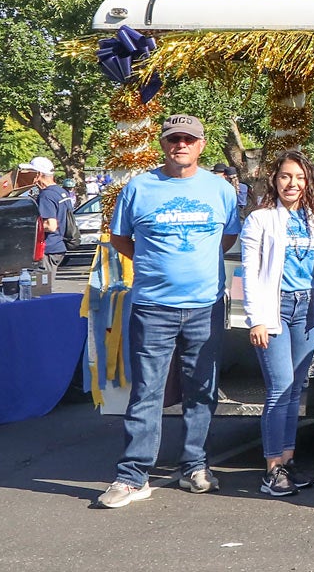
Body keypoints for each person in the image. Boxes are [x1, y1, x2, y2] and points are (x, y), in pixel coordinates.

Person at [94, 115, 242, 509]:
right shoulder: (139, 187)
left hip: (205, 305)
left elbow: (227, 237)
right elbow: (122, 239)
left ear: (201, 145)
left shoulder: (220, 189)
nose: (181, 145)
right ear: (163, 144)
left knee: (202, 391)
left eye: (188, 139)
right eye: (174, 139)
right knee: (146, 392)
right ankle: (132, 476)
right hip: (152, 307)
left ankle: (195, 464)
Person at [239, 150, 314, 498]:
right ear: (274, 180)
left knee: (296, 390)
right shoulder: (260, 220)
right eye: (285, 177)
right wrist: (257, 319)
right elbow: (249, 272)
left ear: (308, 182)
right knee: (279, 388)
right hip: (275, 309)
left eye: (299, 177)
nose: (292, 184)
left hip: (308, 309)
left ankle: (288, 460)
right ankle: (272, 469)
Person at [24, 157, 75, 276]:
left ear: (38, 174)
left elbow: (51, 226)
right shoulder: (61, 192)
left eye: (31, 173)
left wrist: (27, 226)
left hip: (48, 248)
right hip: (59, 246)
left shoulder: (46, 195)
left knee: (42, 289)